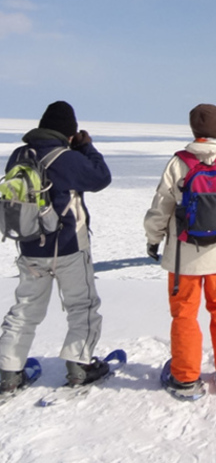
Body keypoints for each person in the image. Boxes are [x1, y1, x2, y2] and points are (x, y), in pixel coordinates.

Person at [144, 103, 216, 397]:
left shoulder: (178, 164)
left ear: (194, 130)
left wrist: (153, 238)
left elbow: (161, 207)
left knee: (184, 313)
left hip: (183, 255)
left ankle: (185, 378)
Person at [0, 101, 112, 393]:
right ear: (69, 133)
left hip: (29, 248)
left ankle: (9, 372)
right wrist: (86, 147)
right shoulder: (66, 158)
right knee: (82, 306)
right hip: (68, 247)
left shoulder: (20, 155)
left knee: (24, 309)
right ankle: (79, 365)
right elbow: (101, 177)